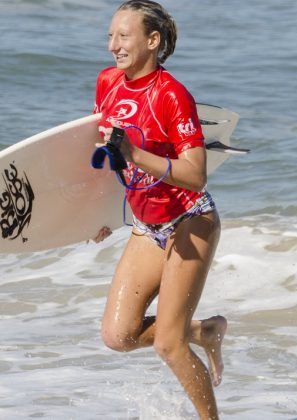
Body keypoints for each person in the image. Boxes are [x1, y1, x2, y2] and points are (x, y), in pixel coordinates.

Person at [93, 1, 227, 419]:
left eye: (124, 36)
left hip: (191, 219)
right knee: (119, 335)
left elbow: (194, 175)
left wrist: (136, 152)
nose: (114, 45)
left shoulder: (172, 96)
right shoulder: (108, 84)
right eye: (111, 35)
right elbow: (104, 155)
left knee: (168, 345)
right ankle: (203, 331)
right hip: (146, 226)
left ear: (152, 41)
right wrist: (95, 214)